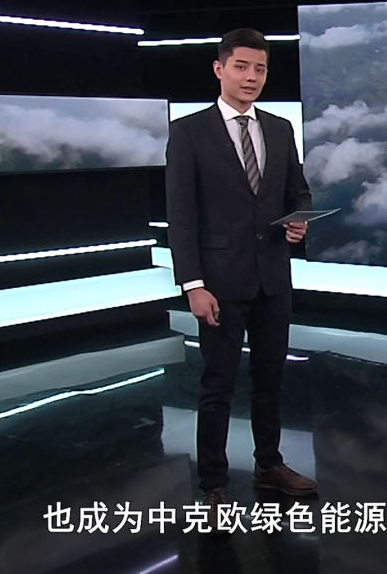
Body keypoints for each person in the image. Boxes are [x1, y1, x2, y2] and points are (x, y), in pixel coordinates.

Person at [165, 28, 319, 517]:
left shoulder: (279, 129)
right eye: (242, 67)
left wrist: (299, 221)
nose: (252, 77)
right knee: (218, 385)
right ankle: (213, 482)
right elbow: (181, 216)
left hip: (272, 277)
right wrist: (193, 285)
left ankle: (268, 464)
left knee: (270, 380)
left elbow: (298, 192)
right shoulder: (189, 132)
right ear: (220, 69)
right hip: (218, 281)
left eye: (261, 69)